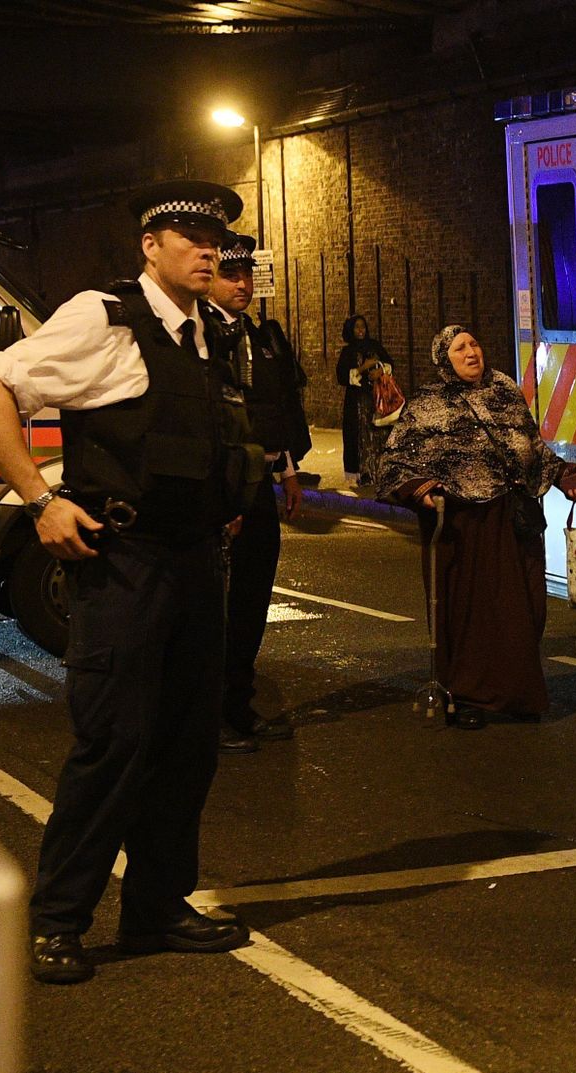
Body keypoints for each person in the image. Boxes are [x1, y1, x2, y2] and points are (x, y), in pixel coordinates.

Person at [0, 180, 262, 984]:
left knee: (186, 746)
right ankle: (57, 921)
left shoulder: (210, 332)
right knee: (114, 745)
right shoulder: (105, 314)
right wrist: (40, 499)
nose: (209, 250)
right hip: (124, 567)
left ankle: (157, 907)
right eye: (191, 237)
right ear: (151, 245)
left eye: (217, 240)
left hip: (198, 563)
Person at [377, 325, 576, 728]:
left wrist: (562, 473)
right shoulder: (428, 405)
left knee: (524, 610)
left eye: (474, 343)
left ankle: (518, 694)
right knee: (474, 614)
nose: (472, 352)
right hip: (465, 525)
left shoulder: (504, 389)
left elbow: (531, 445)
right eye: (460, 348)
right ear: (445, 359)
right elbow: (394, 462)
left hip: (514, 518)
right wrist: (419, 489)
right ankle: (469, 695)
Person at [207, 233, 309, 753]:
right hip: (218, 494)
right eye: (231, 275)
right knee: (215, 608)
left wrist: (288, 469)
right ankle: (209, 715)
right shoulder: (199, 337)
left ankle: (238, 704)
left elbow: (274, 411)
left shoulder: (260, 337)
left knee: (250, 600)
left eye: (246, 274)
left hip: (258, 489)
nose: (242, 283)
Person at [335, 314, 393, 485]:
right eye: (356, 327)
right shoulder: (348, 351)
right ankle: (361, 474)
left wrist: (380, 371)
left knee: (378, 435)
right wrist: (363, 368)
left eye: (363, 327)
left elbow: (389, 363)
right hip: (357, 402)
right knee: (358, 437)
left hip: (376, 399)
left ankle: (380, 471)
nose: (360, 330)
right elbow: (342, 376)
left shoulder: (375, 346)